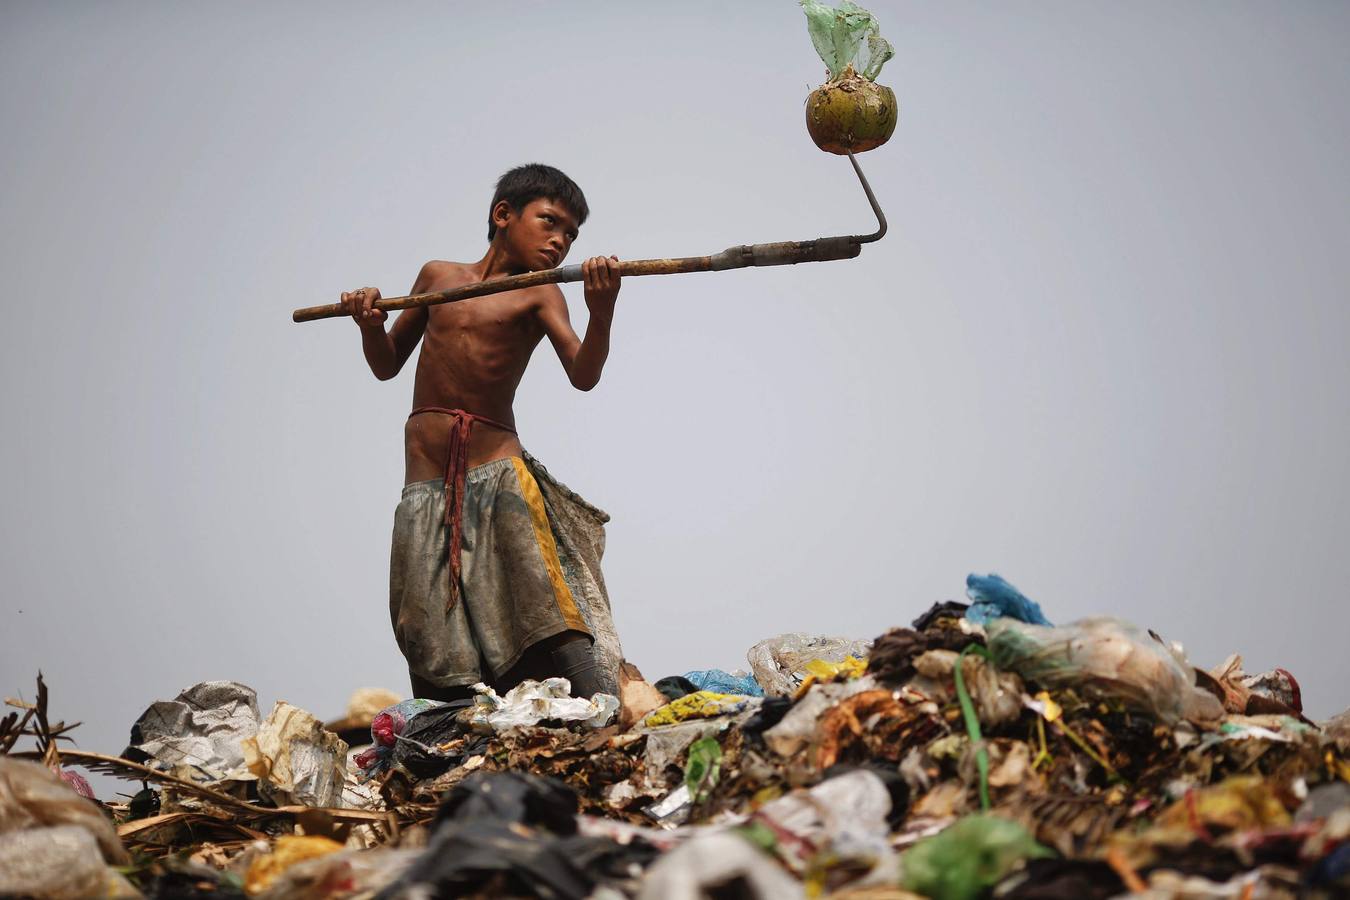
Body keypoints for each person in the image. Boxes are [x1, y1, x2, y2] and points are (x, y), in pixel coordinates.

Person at [338, 163, 623, 703]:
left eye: (571, 235)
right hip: (425, 487)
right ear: (503, 215)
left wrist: (602, 310)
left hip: (499, 477)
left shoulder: (539, 294)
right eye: (550, 222)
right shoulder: (437, 278)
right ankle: (449, 731)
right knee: (424, 620)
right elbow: (386, 364)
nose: (560, 241)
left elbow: (584, 375)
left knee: (540, 603)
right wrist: (370, 325)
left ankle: (598, 712)